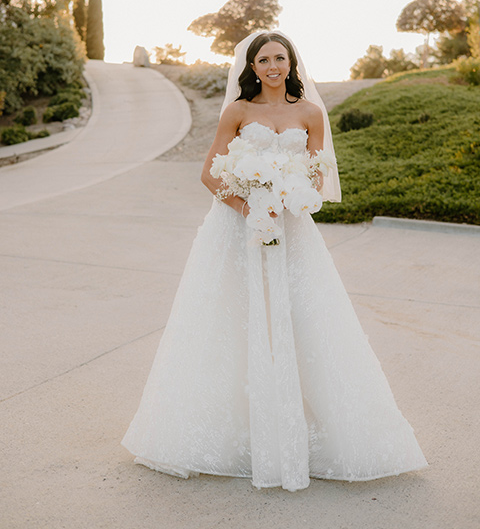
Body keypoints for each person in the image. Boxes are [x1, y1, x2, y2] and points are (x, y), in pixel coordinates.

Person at [121, 30, 428, 492]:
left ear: (291, 63)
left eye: (279, 58)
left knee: (303, 320)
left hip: (292, 229)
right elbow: (209, 172)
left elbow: (317, 171)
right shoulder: (238, 112)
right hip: (239, 227)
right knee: (232, 320)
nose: (272, 66)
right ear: (251, 66)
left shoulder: (310, 113)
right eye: (263, 59)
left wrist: (292, 195)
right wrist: (248, 208)